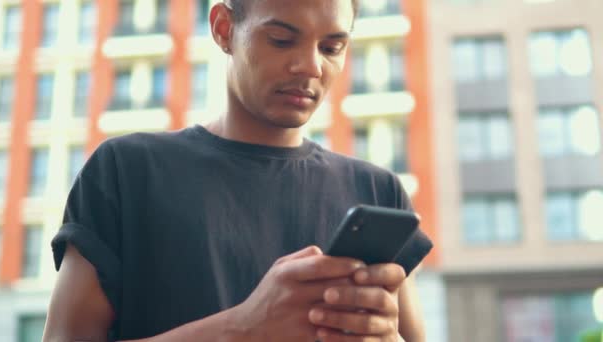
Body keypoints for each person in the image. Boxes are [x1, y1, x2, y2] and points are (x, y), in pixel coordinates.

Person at [43, 0, 430, 341]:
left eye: (332, 47)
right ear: (223, 29)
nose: (311, 65)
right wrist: (243, 328)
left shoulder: (378, 192)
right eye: (281, 39)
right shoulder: (127, 171)